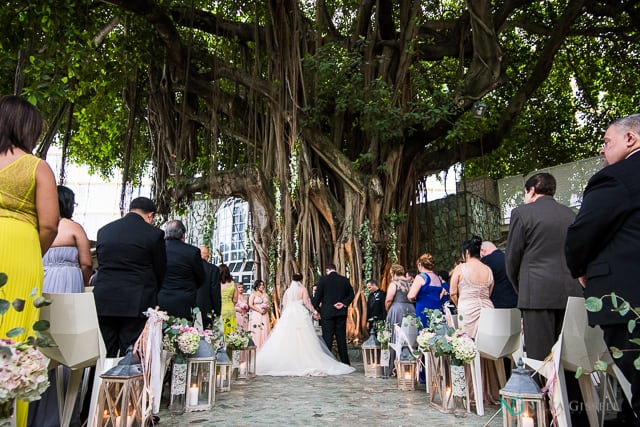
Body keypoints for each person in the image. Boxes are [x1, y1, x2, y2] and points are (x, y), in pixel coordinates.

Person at [565, 114, 640, 425]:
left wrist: (581, 267)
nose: (602, 149)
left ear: (631, 139)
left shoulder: (617, 177)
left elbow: (582, 234)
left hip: (629, 300)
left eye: (607, 141)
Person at [505, 172, 586, 423]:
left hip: (536, 295)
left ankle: (542, 415)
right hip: (571, 295)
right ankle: (574, 413)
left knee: (539, 359)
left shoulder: (522, 213)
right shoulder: (571, 215)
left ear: (531, 190)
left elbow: (513, 258)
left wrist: (523, 289)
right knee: (570, 357)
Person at [0, 96, 58, 427]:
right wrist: (33, 249)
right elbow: (49, 224)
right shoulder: (36, 167)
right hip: (21, 248)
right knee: (15, 338)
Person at [28, 185, 91, 427]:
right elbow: (86, 263)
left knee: (41, 343)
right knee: (66, 345)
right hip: (67, 287)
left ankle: (32, 407)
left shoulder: (37, 227)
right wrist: (81, 283)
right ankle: (63, 411)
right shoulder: (73, 228)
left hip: (41, 284)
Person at [92, 197, 167, 357]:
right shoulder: (154, 234)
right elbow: (160, 269)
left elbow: (101, 263)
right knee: (130, 352)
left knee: (105, 351)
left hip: (104, 300)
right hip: (136, 301)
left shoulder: (104, 231)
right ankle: (125, 382)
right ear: (150, 216)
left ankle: (101, 381)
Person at [256, 273, 355, 376]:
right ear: (301, 279)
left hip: (289, 315)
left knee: (287, 337)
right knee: (303, 337)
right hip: (299, 313)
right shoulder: (302, 289)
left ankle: (288, 361)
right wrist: (314, 311)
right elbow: (307, 303)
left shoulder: (288, 291)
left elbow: (284, 304)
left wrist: (288, 312)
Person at [450, 236, 499, 405]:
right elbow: (490, 290)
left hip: (467, 309)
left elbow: (453, 292)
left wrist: (460, 304)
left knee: (467, 349)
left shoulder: (461, 268)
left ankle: (470, 392)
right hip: (487, 308)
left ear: (467, 252)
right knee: (486, 350)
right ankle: (489, 391)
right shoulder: (488, 269)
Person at [158, 220, 205, 320]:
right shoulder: (192, 251)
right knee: (184, 332)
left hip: (161, 299)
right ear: (183, 235)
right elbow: (201, 278)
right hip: (184, 300)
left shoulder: (157, 249)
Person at [312, 263, 355, 365]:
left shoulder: (323, 280)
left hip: (327, 314)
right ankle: (345, 363)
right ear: (335, 269)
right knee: (341, 338)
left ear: (327, 270)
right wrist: (343, 303)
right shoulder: (344, 280)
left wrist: (315, 309)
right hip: (340, 313)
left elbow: (317, 298)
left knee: (328, 338)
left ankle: (326, 363)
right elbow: (351, 295)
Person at [385, 264, 415, 374]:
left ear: (393, 273)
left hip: (397, 309)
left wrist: (388, 310)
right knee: (409, 337)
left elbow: (388, 299)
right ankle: (408, 364)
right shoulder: (410, 283)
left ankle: (392, 367)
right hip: (411, 309)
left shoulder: (394, 283)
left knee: (395, 336)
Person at [408, 253, 444, 329]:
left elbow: (411, 295)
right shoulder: (438, 278)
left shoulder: (421, 277)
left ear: (420, 264)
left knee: (424, 335)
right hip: (437, 311)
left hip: (424, 310)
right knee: (437, 334)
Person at [480, 241, 517, 309]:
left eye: (481, 255)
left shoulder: (487, 260)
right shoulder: (507, 257)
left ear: (483, 250)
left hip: (497, 303)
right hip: (514, 301)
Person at [195, 245, 221, 329]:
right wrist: (217, 312)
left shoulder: (189, 267)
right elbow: (215, 292)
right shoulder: (213, 269)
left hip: (190, 307)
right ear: (208, 256)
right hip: (207, 308)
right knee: (207, 335)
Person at [248, 279, 271, 349]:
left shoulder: (265, 295)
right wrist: (259, 310)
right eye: (260, 285)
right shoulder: (253, 294)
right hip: (256, 315)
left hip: (264, 315)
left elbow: (268, 304)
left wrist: (266, 309)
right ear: (257, 286)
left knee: (264, 330)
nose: (262, 286)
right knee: (257, 330)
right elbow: (250, 305)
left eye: (263, 285)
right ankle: (256, 349)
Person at [218, 263, 239, 336]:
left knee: (219, 332)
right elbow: (235, 300)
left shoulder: (216, 283)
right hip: (230, 309)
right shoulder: (233, 283)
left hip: (219, 309)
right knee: (231, 332)